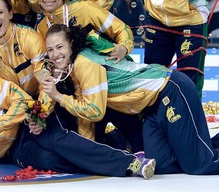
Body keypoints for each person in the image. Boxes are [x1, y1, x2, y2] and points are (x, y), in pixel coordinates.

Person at [0, 51, 156, 179]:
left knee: (60, 142)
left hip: (28, 124)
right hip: (12, 151)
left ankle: (131, 162)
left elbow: (21, 100)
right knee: (50, 162)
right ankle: (112, 157)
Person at [43, 24, 219, 175]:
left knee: (199, 165)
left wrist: (58, 97)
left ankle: (199, 152)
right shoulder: (74, 68)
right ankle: (197, 149)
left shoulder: (83, 63)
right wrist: (85, 152)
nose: (55, 54)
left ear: (71, 44)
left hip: (170, 88)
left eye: (60, 47)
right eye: (50, 50)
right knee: (163, 163)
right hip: (151, 107)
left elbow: (94, 111)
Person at [34, 0, 134, 61]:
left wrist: (124, 47)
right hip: (76, 76)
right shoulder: (42, 28)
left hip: (109, 64)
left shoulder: (85, 8)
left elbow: (122, 29)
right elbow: (48, 59)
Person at [0, 0, 46, 97]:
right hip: (13, 102)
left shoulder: (30, 37)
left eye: (0, 12)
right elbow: (4, 88)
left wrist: (41, 109)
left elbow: (44, 80)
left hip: (40, 98)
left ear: (10, 14)